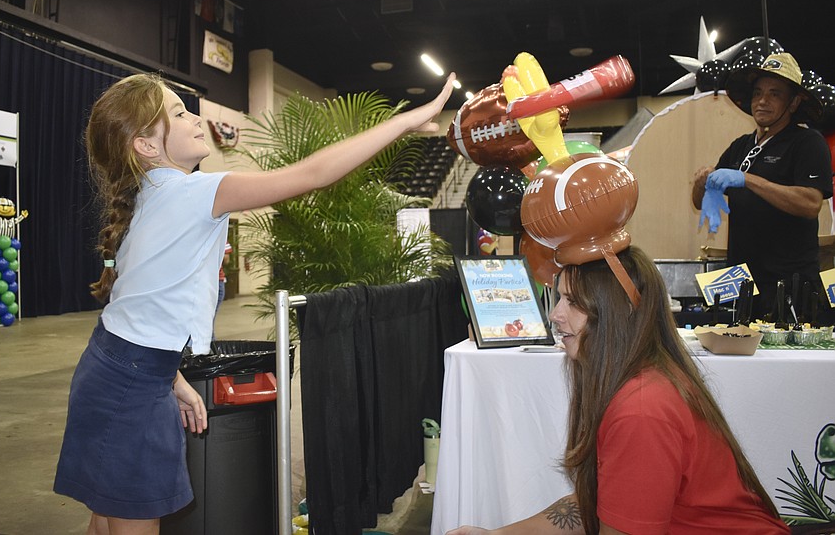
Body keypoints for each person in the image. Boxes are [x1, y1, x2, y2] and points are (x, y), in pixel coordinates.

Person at [53, 71, 454, 534]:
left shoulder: (148, 196)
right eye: (180, 113)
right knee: (125, 519)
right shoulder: (194, 192)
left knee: (106, 518)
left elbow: (133, 310)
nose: (196, 118)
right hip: (130, 388)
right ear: (145, 144)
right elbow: (311, 175)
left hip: (115, 371)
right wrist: (402, 124)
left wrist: (171, 379)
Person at [447, 246, 789, 535]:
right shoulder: (640, 382)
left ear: (615, 313)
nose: (555, 315)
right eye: (558, 298)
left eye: (572, 302)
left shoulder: (642, 410)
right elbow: (601, 502)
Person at [692, 52, 832, 322]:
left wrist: (747, 180)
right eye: (758, 93)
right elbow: (699, 202)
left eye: (774, 94)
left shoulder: (807, 143)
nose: (762, 101)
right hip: (742, 284)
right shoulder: (740, 147)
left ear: (793, 103)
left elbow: (810, 204)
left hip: (790, 287)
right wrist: (702, 184)